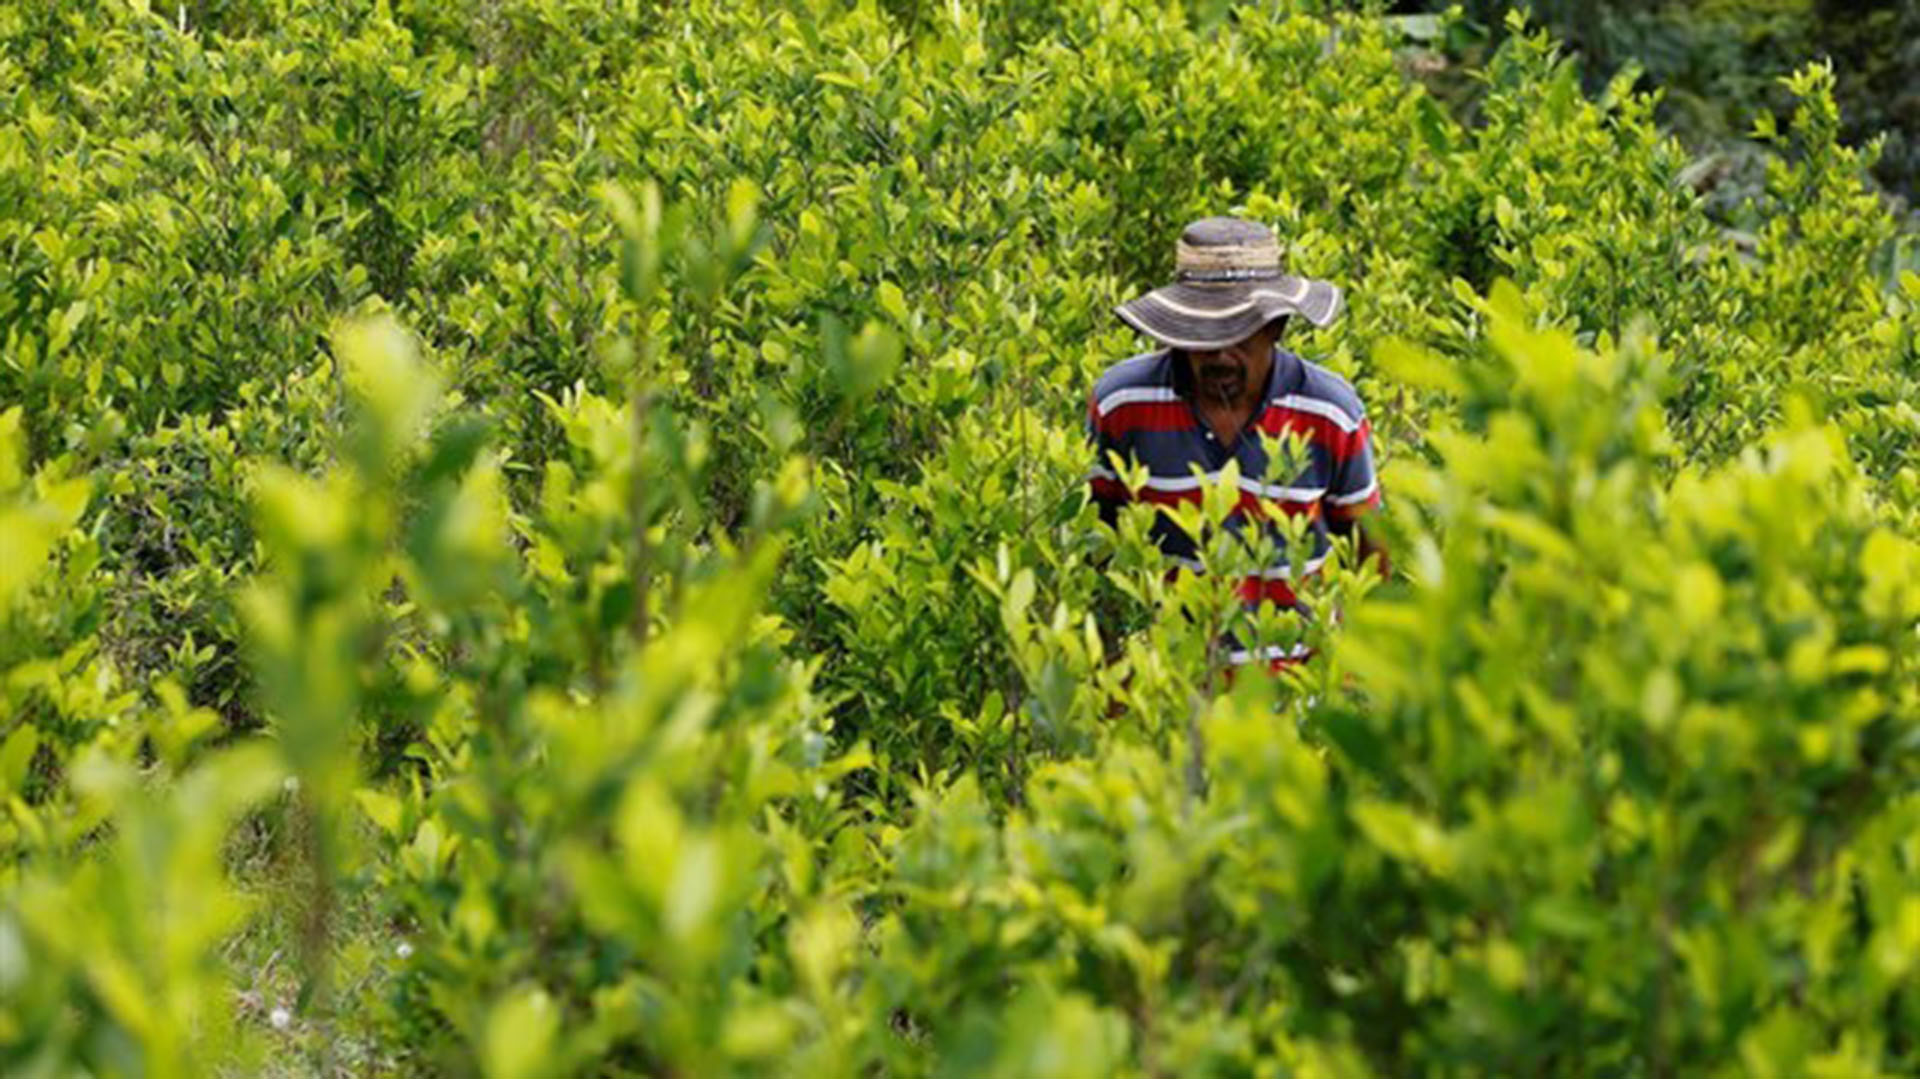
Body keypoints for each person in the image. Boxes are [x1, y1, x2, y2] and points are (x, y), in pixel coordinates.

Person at [1087, 216, 1384, 671]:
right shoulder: (1123, 403)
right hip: (1163, 688)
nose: (1219, 354)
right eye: (1202, 334)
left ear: (1276, 327)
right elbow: (1095, 550)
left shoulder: (1329, 413)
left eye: (1239, 333)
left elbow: (1371, 559)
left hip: (1293, 691)